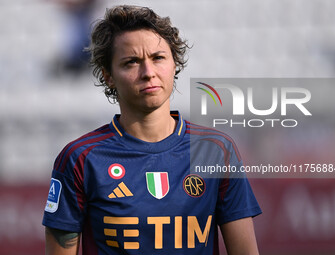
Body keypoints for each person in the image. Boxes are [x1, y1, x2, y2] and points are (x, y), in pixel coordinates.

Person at [42, 5, 262, 255]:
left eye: (158, 58)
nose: (148, 73)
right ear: (108, 76)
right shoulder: (80, 158)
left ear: (174, 64)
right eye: (131, 62)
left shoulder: (215, 150)